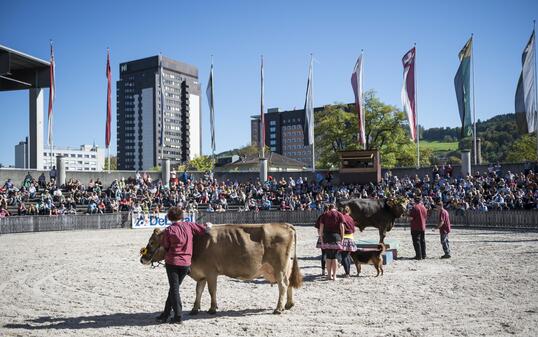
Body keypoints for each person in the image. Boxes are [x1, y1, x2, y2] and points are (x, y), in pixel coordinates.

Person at [156, 207, 211, 324]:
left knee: (174, 289)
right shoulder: (189, 225)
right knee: (173, 289)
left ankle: (178, 316)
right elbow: (205, 231)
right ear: (181, 216)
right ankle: (165, 314)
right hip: (186, 263)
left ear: (169, 217)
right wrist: (209, 225)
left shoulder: (169, 230)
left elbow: (166, 247)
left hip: (173, 262)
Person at [318, 204, 345, 280]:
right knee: (335, 257)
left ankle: (329, 275)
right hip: (336, 237)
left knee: (328, 257)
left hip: (326, 237)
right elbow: (342, 226)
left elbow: (321, 227)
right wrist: (342, 238)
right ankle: (334, 276)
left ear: (329, 208)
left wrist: (321, 238)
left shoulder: (325, 214)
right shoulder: (339, 214)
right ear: (335, 208)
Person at [339, 206, 357, 277]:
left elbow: (340, 228)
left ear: (343, 211)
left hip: (344, 238)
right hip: (351, 238)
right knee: (348, 255)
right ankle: (348, 272)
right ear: (349, 211)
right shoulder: (351, 218)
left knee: (344, 256)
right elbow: (353, 230)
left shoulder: (342, 217)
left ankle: (347, 273)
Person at [315, 205, 329, 276]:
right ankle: (329, 270)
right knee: (331, 254)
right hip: (330, 236)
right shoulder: (330, 216)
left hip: (322, 235)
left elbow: (318, 228)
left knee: (323, 254)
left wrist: (320, 235)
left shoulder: (321, 216)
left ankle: (323, 270)